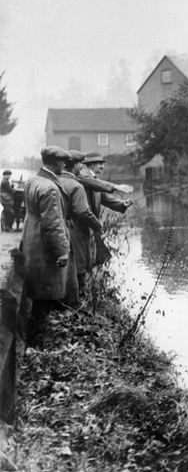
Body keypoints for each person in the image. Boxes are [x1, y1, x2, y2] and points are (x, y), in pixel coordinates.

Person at [22, 146, 71, 343]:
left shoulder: (33, 180)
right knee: (45, 294)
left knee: (38, 293)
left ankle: (35, 338)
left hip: (32, 239)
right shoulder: (50, 188)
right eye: (63, 163)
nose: (65, 166)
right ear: (57, 163)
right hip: (44, 245)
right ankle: (37, 342)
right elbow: (53, 224)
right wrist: (62, 250)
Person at [58, 150, 103, 302]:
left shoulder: (54, 180)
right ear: (76, 165)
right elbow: (82, 211)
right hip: (76, 228)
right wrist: (96, 224)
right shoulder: (76, 185)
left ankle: (63, 297)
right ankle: (78, 299)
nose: (81, 167)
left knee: (64, 261)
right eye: (80, 164)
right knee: (80, 263)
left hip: (58, 228)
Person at [75, 151, 133, 266]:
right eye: (99, 164)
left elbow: (104, 198)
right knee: (85, 258)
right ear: (91, 165)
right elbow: (95, 183)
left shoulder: (94, 179)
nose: (102, 167)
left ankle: (91, 279)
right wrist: (117, 187)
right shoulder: (82, 175)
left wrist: (122, 204)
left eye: (103, 164)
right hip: (81, 225)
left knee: (98, 255)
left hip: (91, 224)